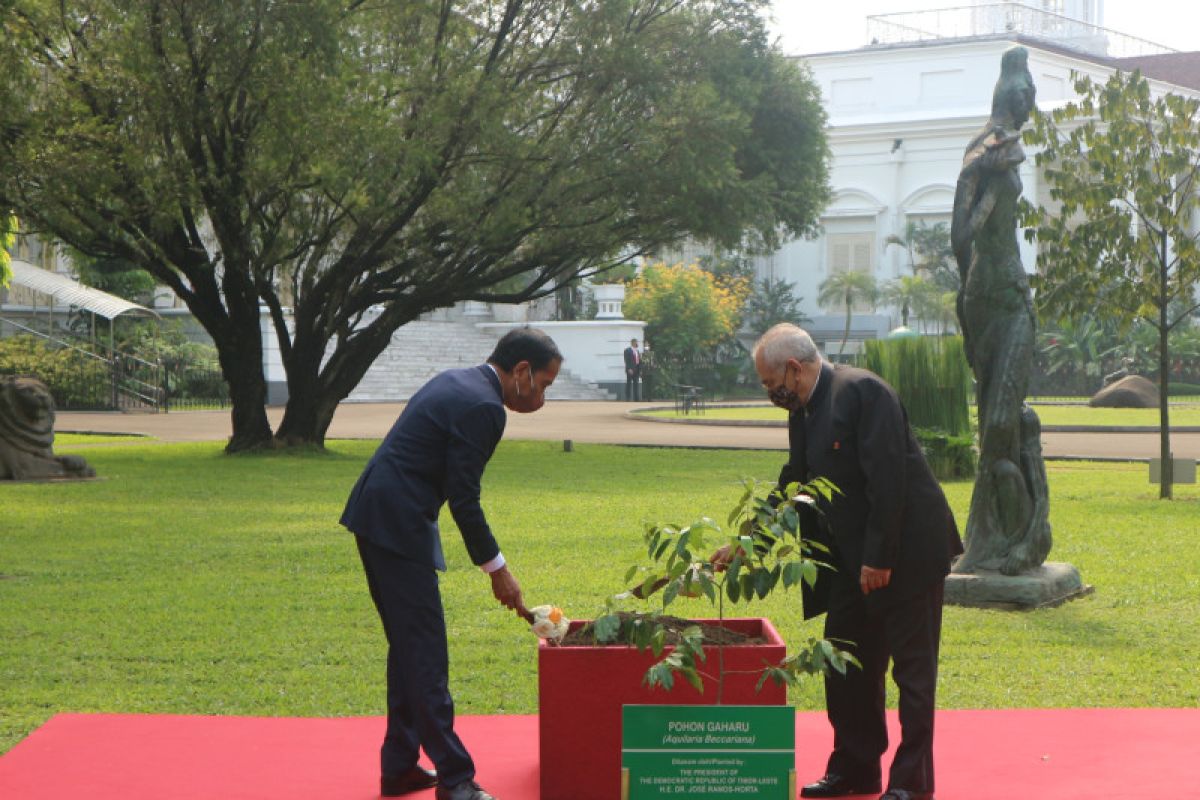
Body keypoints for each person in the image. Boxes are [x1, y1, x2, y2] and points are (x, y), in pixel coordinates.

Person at [726, 323, 962, 800]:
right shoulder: (805, 409)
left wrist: (880, 558)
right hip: (851, 561)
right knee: (846, 664)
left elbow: (888, 482)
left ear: (794, 369)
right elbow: (795, 482)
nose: (771, 393)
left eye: (772, 384)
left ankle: (911, 785)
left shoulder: (862, 392)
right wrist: (749, 543)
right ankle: (855, 769)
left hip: (907, 554)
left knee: (912, 674)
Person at [340, 327, 563, 800]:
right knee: (424, 653)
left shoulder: (458, 380)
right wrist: (498, 570)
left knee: (408, 648)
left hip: (379, 515)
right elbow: (464, 499)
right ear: (521, 371)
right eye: (543, 385)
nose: (542, 397)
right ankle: (457, 779)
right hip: (396, 524)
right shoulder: (484, 407)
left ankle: (399, 767)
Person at [950, 46, 1051, 576]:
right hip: (983, 301)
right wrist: (978, 176)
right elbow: (961, 236)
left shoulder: (1006, 144)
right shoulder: (988, 148)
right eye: (1022, 90)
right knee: (997, 429)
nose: (1029, 99)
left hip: (1011, 298)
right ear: (1007, 93)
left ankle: (1023, 539)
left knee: (1002, 424)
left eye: (1031, 90)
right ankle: (1004, 540)